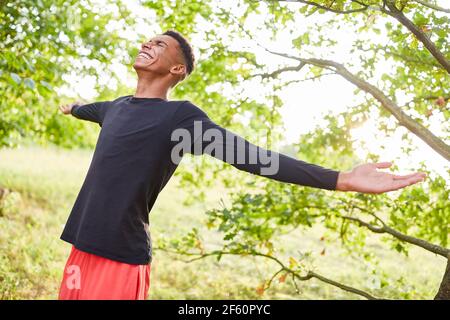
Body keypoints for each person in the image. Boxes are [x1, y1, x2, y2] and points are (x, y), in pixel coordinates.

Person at [57, 30, 426, 300]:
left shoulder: (180, 119)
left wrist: (341, 179)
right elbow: (87, 110)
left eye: (160, 45)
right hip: (82, 246)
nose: (147, 45)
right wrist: (72, 108)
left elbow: (251, 157)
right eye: (147, 41)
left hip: (120, 257)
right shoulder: (115, 107)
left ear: (177, 69)